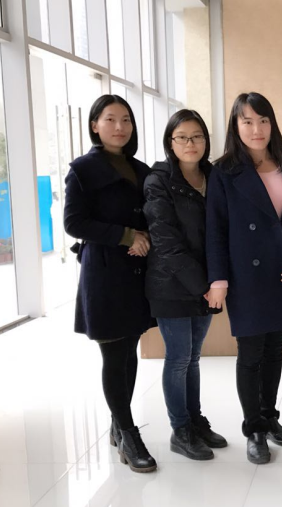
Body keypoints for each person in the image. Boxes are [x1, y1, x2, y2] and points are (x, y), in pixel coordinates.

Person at [205, 92, 282, 465]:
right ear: (236, 126)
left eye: (263, 120)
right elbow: (215, 230)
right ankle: (254, 429)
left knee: (275, 350)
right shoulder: (224, 171)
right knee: (250, 354)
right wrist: (218, 280)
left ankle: (269, 417)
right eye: (247, 121)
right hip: (246, 274)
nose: (256, 129)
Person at [63, 94, 157, 473]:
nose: (119, 127)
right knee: (114, 354)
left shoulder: (141, 169)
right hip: (104, 273)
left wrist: (145, 237)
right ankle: (129, 433)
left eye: (126, 120)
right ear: (94, 125)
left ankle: (120, 426)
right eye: (110, 119)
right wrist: (125, 236)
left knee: (129, 350)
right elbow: (74, 223)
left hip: (137, 273)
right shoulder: (83, 170)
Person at [143, 109, 227, 461]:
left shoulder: (214, 176)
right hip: (172, 284)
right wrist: (202, 284)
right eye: (182, 137)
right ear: (170, 142)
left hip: (206, 284)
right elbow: (165, 241)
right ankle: (180, 430)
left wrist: (215, 280)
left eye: (197, 136)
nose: (190, 143)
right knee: (178, 358)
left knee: (192, 358)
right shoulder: (159, 180)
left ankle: (195, 421)